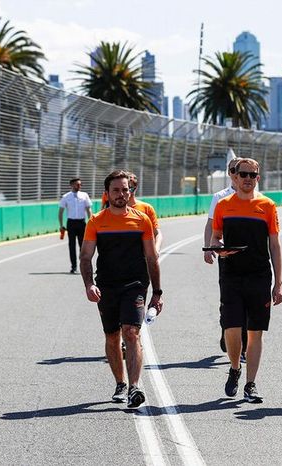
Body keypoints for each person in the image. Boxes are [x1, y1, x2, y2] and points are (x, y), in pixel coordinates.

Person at [80, 170, 163, 409]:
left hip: (135, 285)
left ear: (130, 191)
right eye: (116, 190)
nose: (121, 194)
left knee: (131, 332)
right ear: (106, 194)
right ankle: (120, 383)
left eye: (125, 189)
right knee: (112, 335)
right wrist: (89, 284)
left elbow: (151, 258)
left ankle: (135, 387)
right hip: (106, 285)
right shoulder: (96, 221)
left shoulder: (141, 220)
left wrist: (157, 293)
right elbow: (86, 257)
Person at [210, 157, 282, 403]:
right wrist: (217, 248)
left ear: (258, 178)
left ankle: (250, 384)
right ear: (235, 176)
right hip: (231, 275)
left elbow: (274, 244)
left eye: (253, 175)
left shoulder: (268, 205)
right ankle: (234, 368)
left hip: (259, 276)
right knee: (232, 328)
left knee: (255, 332)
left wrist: (279, 282)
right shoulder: (223, 205)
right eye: (244, 174)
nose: (248, 179)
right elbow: (216, 237)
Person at [203, 156, 248, 362]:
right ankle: (226, 329)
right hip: (226, 256)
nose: (237, 174)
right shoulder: (220, 197)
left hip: (250, 256)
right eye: (233, 170)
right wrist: (208, 249)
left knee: (248, 302)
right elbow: (211, 223)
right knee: (227, 300)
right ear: (231, 174)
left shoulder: (256, 196)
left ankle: (244, 347)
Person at [58, 178, 92, 274]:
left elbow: (88, 210)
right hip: (71, 223)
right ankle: (74, 266)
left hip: (82, 223)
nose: (79, 186)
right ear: (72, 185)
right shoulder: (66, 197)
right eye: (77, 184)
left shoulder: (84, 195)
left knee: (83, 246)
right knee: (71, 245)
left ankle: (83, 265)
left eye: (80, 184)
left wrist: (90, 222)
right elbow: (61, 212)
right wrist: (61, 225)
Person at [127, 172, 163, 253]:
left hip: (143, 257)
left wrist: (156, 251)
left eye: (131, 188)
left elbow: (157, 233)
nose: (128, 191)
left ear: (136, 187)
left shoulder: (146, 208)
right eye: (125, 188)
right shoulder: (115, 209)